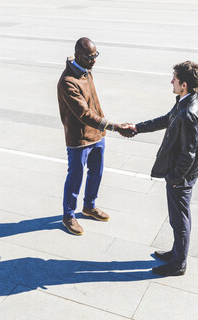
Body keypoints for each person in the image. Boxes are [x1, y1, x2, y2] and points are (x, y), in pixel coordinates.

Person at [130, 61, 198, 276]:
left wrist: (175, 177)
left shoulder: (188, 112)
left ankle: (178, 263)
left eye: (174, 78)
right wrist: (137, 127)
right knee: (177, 217)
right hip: (183, 174)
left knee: (179, 219)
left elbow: (188, 154)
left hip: (181, 177)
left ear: (183, 84)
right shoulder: (190, 100)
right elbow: (166, 119)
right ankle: (176, 252)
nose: (171, 81)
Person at [57, 37, 134, 236]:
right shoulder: (68, 82)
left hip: (98, 134)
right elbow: (84, 114)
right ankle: (68, 216)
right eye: (90, 57)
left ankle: (89, 206)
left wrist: (104, 128)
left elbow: (94, 106)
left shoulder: (86, 71)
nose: (94, 60)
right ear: (78, 56)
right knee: (75, 177)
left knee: (96, 173)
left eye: (95, 56)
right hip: (80, 139)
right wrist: (114, 126)